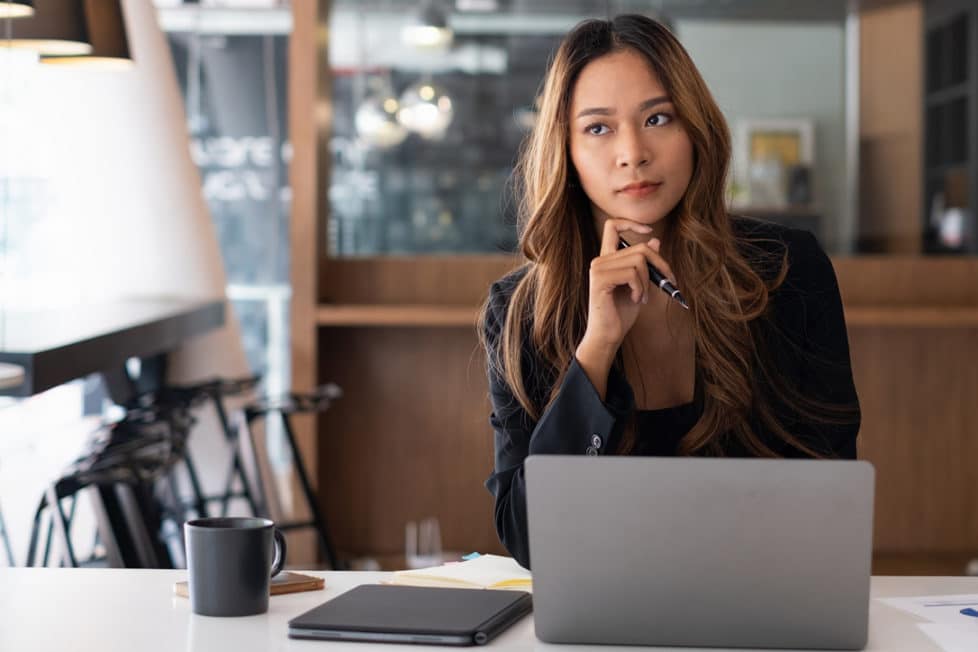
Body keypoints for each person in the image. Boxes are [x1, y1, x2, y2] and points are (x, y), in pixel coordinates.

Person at [479, 14, 860, 570]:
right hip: (602, 611)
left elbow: (833, 491)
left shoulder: (788, 270)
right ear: (567, 152)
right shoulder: (518, 310)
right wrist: (597, 351)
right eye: (598, 128)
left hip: (761, 603)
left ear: (696, 130)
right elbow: (529, 540)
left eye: (658, 118)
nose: (633, 152)